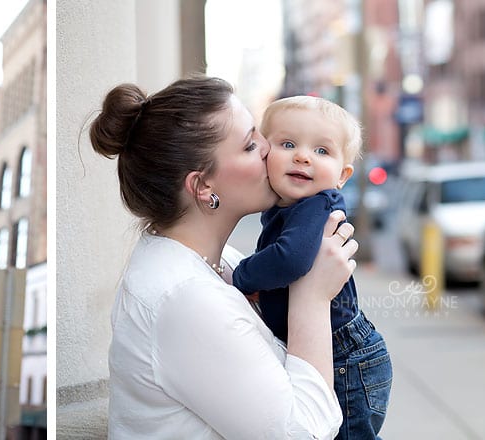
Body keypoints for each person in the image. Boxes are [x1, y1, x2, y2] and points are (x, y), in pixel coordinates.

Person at [90, 75, 360, 439]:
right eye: (251, 145)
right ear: (203, 187)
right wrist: (312, 296)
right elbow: (302, 435)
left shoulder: (218, 263)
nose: (269, 149)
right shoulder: (184, 298)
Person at [232, 96, 392, 439]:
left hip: (345, 358)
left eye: (322, 151)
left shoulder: (316, 204)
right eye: (288, 144)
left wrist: (240, 276)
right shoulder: (287, 207)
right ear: (264, 153)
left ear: (342, 175)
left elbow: (291, 259)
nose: (303, 156)